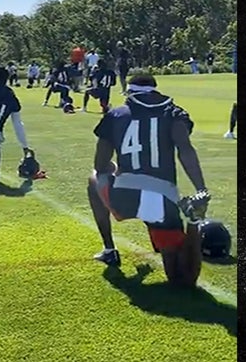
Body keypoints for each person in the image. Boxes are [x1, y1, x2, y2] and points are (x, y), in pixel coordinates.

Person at [88, 74, 210, 287]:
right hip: (162, 200)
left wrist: (113, 170)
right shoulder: (173, 113)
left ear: (130, 92)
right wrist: (201, 188)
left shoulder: (116, 114)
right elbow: (186, 150)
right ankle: (194, 221)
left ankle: (109, 249)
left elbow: (100, 165)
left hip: (125, 196)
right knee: (182, 280)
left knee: (94, 177)